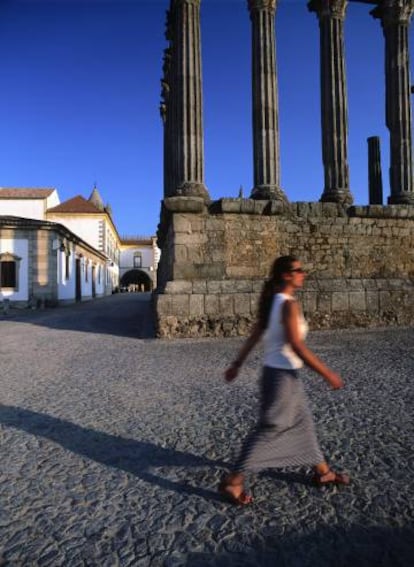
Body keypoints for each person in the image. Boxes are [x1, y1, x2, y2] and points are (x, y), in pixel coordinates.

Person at [219, 255, 350, 505]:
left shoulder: (272, 303)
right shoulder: (288, 304)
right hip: (282, 378)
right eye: (299, 270)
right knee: (270, 429)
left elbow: (254, 337)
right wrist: (327, 373)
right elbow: (296, 345)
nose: (304, 273)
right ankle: (233, 481)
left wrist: (237, 364)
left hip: (281, 375)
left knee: (303, 424)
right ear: (286, 275)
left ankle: (323, 472)